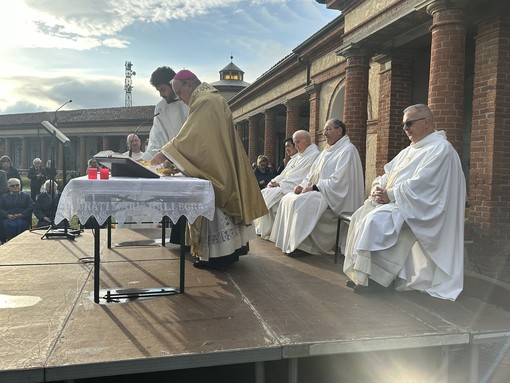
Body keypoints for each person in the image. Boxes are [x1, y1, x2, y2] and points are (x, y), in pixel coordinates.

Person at [343, 104, 466, 301]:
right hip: (400, 202)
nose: (405, 129)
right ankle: (363, 274)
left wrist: (390, 194)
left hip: (423, 207)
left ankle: (379, 279)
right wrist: (378, 188)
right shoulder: (410, 150)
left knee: (376, 221)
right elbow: (387, 173)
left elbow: (425, 184)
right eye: (403, 125)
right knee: (361, 215)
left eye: (409, 124)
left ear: (426, 123)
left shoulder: (440, 149)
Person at [151, 69, 267, 269]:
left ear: (189, 85)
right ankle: (228, 254)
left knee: (215, 205)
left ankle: (218, 257)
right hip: (218, 161)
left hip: (214, 167)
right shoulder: (209, 98)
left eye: (180, 93)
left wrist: (166, 152)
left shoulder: (205, 101)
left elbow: (193, 136)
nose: (181, 99)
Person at [270, 118, 364, 256]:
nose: (324, 133)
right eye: (324, 129)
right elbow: (311, 174)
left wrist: (315, 187)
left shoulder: (347, 150)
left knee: (299, 202)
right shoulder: (326, 152)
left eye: (328, 129)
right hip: (320, 191)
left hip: (333, 195)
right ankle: (289, 242)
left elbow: (339, 181)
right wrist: (301, 186)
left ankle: (304, 245)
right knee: (288, 198)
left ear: (339, 131)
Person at [256, 130, 320, 239]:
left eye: (298, 142)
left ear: (307, 141)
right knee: (265, 192)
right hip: (286, 185)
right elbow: (284, 174)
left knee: (274, 199)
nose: (296, 146)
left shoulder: (314, 155)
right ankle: (265, 230)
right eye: (295, 143)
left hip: (293, 187)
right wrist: (274, 182)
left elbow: (300, 177)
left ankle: (272, 232)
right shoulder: (299, 157)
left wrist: (280, 184)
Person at [140, 66, 189, 161]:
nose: (161, 94)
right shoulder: (160, 108)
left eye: (163, 90)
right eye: (159, 91)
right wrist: (143, 160)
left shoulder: (188, 102)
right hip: (169, 159)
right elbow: (157, 140)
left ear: (173, 85)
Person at [0, 178, 33, 243]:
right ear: (8, 187)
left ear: (20, 186)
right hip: (8, 218)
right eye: (12, 186)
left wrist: (21, 214)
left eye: (17, 185)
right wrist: (7, 215)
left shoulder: (26, 196)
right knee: (6, 224)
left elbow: (30, 207)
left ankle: (21, 241)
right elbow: (1, 209)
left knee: (21, 224)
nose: (15, 187)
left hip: (22, 218)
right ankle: (8, 241)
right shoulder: (4, 197)